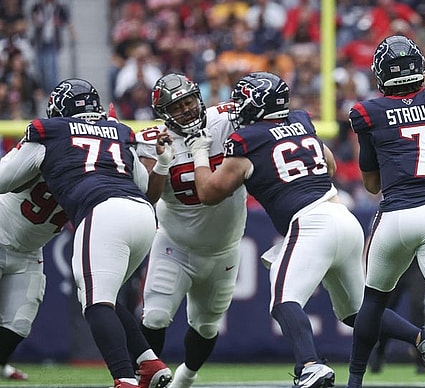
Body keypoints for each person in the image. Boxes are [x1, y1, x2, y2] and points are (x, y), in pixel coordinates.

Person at [185, 71, 425, 388]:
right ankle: (421, 337)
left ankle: (309, 364)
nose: (237, 107)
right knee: (356, 311)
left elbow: (209, 194)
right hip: (342, 217)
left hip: (311, 223)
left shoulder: (246, 142)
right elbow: (331, 166)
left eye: (241, 100)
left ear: (256, 104)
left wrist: (198, 152)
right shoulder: (301, 122)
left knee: (283, 301)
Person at [0, 78, 170, 388]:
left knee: (33, 317)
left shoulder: (50, 136)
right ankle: (147, 362)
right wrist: (160, 161)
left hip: (63, 232)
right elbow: (148, 192)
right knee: (99, 295)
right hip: (140, 216)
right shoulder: (118, 137)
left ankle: (127, 378)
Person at [347, 35, 425, 388]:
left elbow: (372, 185)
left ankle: (355, 379)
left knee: (373, 301)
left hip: (396, 214)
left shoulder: (367, 112)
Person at [134, 73, 246, 388]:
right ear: (164, 113)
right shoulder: (155, 137)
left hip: (224, 248)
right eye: (177, 106)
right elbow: (148, 198)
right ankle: (142, 380)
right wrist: (161, 164)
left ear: (198, 97)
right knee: (154, 316)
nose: (186, 110)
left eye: (188, 101)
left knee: (207, 326)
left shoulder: (225, 120)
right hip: (175, 244)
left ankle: (185, 378)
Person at [0, 145, 68, 381]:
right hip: (1, 230)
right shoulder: (41, 143)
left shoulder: (96, 160)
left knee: (19, 323)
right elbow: (6, 178)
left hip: (30, 251)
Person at [29, 0, 75, 92]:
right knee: (40, 65)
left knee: (53, 66)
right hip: (40, 40)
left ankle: (53, 89)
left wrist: (70, 31)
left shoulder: (59, 7)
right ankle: (42, 87)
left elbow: (67, 20)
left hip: (53, 40)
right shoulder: (38, 6)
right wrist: (37, 20)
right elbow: (33, 18)